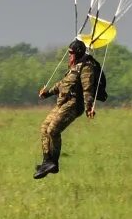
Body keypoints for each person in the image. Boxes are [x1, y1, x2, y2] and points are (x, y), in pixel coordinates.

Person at [34, 39, 97, 179]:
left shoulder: (86, 67)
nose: (69, 56)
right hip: (63, 103)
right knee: (44, 127)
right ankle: (47, 161)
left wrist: (89, 107)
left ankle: (53, 162)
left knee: (53, 130)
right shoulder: (74, 68)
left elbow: (87, 88)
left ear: (78, 53)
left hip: (74, 104)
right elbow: (62, 85)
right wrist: (47, 93)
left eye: (71, 54)